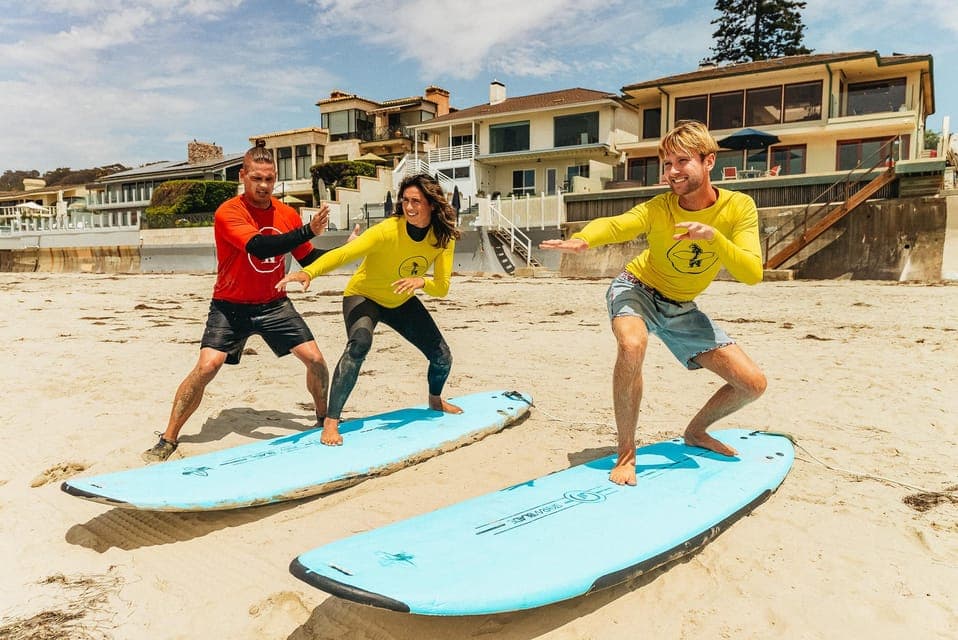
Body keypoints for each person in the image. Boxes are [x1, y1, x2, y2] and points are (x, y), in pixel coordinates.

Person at [540, 120, 767, 486]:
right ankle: (626, 454)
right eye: (667, 163)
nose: (672, 171)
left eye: (682, 161)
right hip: (637, 289)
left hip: (681, 308)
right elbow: (618, 225)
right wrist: (583, 239)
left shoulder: (739, 208)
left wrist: (715, 238)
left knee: (752, 384)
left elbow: (753, 272)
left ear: (708, 161)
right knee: (632, 344)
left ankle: (696, 431)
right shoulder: (660, 208)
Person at [142, 140, 337, 462]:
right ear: (243, 176)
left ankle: (323, 417)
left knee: (315, 360)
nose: (263, 185)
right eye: (257, 178)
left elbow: (310, 257)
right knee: (207, 367)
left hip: (274, 303)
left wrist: (351, 250)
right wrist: (309, 230)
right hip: (229, 306)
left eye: (269, 179)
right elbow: (260, 247)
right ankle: (169, 437)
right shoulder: (229, 212)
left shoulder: (286, 214)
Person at [276, 173, 462, 446]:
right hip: (363, 296)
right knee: (359, 344)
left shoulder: (442, 237)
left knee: (442, 357)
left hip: (400, 299)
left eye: (417, 201)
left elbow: (442, 287)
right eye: (406, 200)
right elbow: (344, 254)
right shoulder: (388, 230)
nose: (409, 207)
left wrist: (422, 281)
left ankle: (435, 400)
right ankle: (330, 421)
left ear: (431, 204)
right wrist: (310, 272)